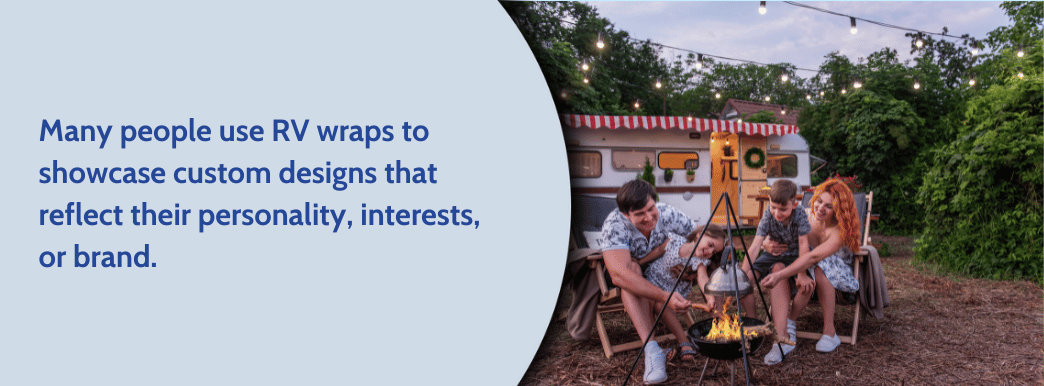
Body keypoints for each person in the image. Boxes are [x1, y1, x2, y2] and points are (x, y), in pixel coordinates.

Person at [599, 179, 697, 384]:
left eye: (651, 208)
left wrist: (686, 262)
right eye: (639, 214)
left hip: (661, 272)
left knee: (644, 271)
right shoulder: (615, 224)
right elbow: (619, 275)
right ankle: (652, 351)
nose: (649, 217)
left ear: (655, 202)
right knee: (633, 270)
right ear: (626, 215)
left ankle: (677, 342)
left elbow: (700, 236)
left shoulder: (668, 213)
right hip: (631, 277)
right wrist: (664, 297)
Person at [761, 179, 862, 354]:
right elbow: (771, 233)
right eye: (819, 201)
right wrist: (766, 244)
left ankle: (829, 332)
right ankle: (784, 331)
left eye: (829, 206)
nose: (821, 208)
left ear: (838, 210)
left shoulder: (840, 231)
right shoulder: (804, 216)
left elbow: (815, 256)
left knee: (818, 266)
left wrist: (780, 276)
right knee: (778, 264)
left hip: (835, 273)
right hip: (804, 266)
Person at [738, 179, 811, 365]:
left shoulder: (800, 214)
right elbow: (755, 246)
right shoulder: (768, 215)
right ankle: (753, 324)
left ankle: (782, 337)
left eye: (782, 209)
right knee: (745, 279)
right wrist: (740, 276)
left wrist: (802, 274)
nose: (777, 213)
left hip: (794, 256)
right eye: (773, 207)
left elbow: (804, 244)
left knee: (807, 285)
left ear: (794, 204)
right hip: (772, 255)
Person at [642, 224, 727, 363]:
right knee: (650, 298)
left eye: (714, 251)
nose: (710, 252)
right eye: (710, 244)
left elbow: (703, 278)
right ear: (700, 234)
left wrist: (710, 297)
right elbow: (657, 251)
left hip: (672, 292)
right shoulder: (675, 241)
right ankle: (651, 344)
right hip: (652, 280)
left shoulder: (700, 261)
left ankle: (684, 341)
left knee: (660, 305)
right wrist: (640, 261)